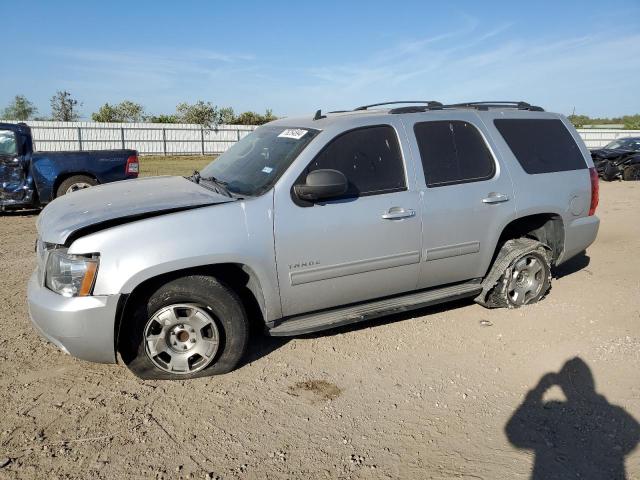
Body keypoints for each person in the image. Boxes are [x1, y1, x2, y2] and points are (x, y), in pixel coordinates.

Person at [505, 357, 640, 479]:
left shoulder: (552, 409)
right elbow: (633, 436)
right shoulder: (614, 412)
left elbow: (514, 433)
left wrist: (539, 389)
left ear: (562, 385)